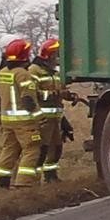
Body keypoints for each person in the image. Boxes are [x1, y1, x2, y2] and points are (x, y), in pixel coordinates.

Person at [0, 39, 44, 188]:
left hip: (7, 120)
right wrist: (40, 117)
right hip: (24, 121)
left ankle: (0, 182)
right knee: (32, 149)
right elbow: (28, 100)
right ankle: (24, 183)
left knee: (9, 150)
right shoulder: (23, 75)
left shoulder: (2, 73)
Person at [29, 39, 76, 182]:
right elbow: (33, 94)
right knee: (42, 149)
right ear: (47, 55)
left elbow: (61, 90)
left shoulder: (54, 72)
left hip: (56, 118)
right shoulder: (34, 71)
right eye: (54, 54)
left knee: (56, 148)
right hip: (43, 118)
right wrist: (54, 94)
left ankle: (51, 176)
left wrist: (70, 95)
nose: (56, 57)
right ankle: (33, 180)